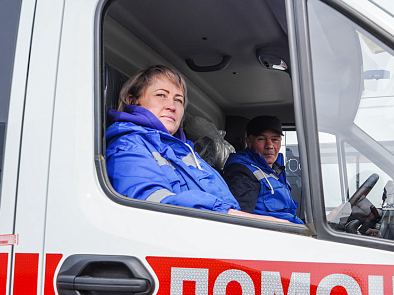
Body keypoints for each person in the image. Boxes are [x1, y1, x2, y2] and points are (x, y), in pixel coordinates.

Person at [105, 65, 286, 222]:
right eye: (161, 95)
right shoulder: (129, 145)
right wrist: (234, 216)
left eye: (178, 100)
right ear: (133, 100)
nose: (171, 106)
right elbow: (150, 206)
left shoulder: (185, 150)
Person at [223, 116, 304, 224]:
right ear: (249, 142)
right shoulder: (241, 173)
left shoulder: (273, 170)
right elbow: (240, 221)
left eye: (275, 140)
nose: (269, 146)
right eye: (261, 139)